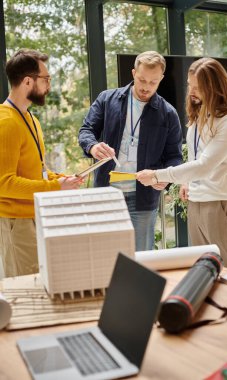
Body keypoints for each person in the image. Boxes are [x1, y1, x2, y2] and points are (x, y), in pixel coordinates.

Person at [136, 57, 227, 270]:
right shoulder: (201, 113)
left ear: (215, 87)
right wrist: (186, 182)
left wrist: (158, 175)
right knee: (205, 269)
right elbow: (196, 156)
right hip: (196, 201)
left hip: (219, 202)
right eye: (190, 85)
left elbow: (205, 165)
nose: (192, 91)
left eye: (198, 87)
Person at [78, 51, 182, 251]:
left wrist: (166, 176)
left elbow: (175, 156)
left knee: (141, 258)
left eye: (153, 82)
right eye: (142, 79)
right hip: (106, 193)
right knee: (104, 255)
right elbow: (86, 130)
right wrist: (92, 146)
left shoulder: (168, 113)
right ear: (134, 73)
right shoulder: (107, 99)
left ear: (161, 79)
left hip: (143, 198)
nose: (146, 87)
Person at [0, 49, 83, 277]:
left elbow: (37, 171)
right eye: (46, 79)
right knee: (26, 288)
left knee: (41, 281)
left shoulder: (30, 119)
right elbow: (4, 183)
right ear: (28, 81)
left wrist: (62, 179)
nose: (49, 85)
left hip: (35, 216)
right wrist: (56, 187)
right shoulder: (6, 122)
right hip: (17, 223)